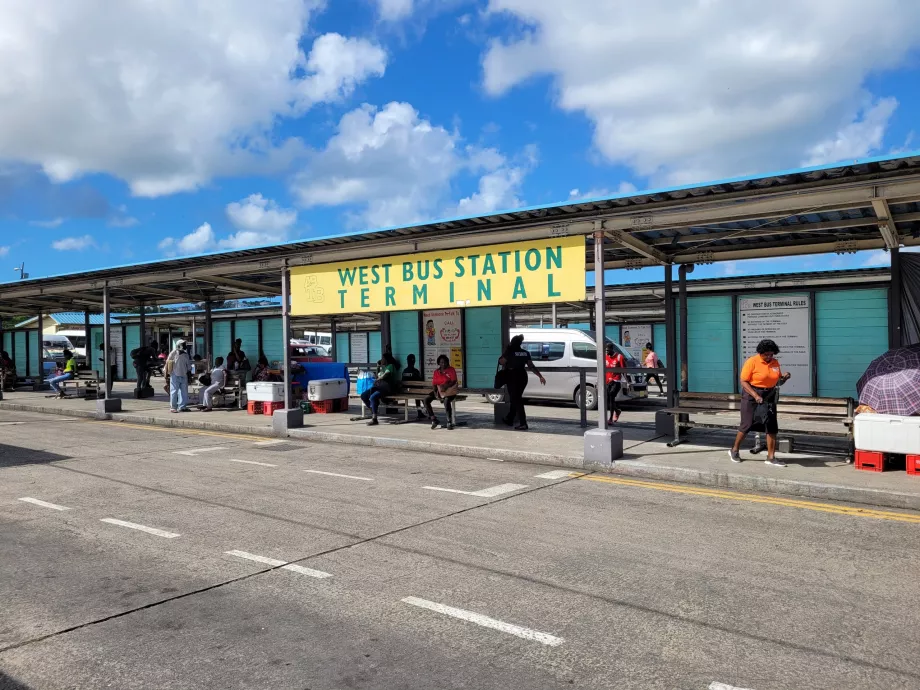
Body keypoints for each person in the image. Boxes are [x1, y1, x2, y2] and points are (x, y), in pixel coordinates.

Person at [729, 339, 791, 467]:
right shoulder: (752, 361)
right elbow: (744, 381)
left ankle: (771, 457)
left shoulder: (775, 363)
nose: (769, 357)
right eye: (766, 354)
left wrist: (784, 378)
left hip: (769, 395)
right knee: (747, 424)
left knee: (771, 426)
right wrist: (755, 395)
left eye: (771, 354)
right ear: (760, 352)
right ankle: (734, 450)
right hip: (752, 394)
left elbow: (777, 381)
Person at [498, 334, 545, 431]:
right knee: (515, 398)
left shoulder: (510, 352)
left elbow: (501, 362)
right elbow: (531, 366)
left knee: (517, 400)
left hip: (512, 376)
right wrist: (540, 376)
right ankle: (510, 418)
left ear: (513, 342)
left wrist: (506, 351)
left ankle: (523, 423)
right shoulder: (525, 353)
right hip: (523, 377)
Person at [361, 352, 398, 426]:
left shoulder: (391, 366)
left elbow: (386, 375)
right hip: (378, 387)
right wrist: (378, 367)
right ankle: (373, 411)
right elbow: (377, 376)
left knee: (373, 397)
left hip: (386, 388)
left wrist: (379, 379)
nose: (381, 360)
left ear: (386, 359)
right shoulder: (383, 367)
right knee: (364, 396)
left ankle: (374, 419)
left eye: (383, 358)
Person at [425, 354, 459, 430]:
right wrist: (435, 393)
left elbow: (454, 381)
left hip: (450, 391)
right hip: (439, 391)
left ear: (447, 362)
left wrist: (446, 386)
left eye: (445, 362)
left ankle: (449, 422)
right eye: (441, 362)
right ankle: (434, 419)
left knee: (446, 401)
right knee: (426, 400)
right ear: (439, 363)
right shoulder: (436, 372)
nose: (443, 364)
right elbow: (434, 384)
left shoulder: (451, 369)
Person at [167, 340, 191, 413]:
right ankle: (173, 407)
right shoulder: (173, 353)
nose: (185, 346)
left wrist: (189, 375)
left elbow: (188, 366)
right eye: (183, 344)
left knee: (184, 392)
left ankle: (182, 407)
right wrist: (167, 374)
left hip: (184, 375)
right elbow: (168, 363)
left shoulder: (186, 355)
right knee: (174, 391)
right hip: (174, 375)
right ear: (179, 345)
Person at [605, 343, 625, 425]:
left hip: (616, 381)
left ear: (612, 349)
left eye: (608, 350)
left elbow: (625, 371)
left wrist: (628, 383)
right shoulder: (605, 357)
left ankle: (610, 418)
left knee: (611, 396)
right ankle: (617, 411)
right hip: (608, 382)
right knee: (608, 400)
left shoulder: (619, 357)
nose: (606, 352)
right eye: (605, 350)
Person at [401, 353, 425, 420]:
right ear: (414, 361)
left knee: (418, 392)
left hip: (406, 391)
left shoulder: (405, 371)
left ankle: (420, 412)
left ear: (407, 361)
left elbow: (402, 381)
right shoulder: (415, 371)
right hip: (415, 391)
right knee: (421, 393)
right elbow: (419, 382)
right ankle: (425, 412)